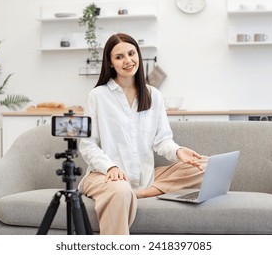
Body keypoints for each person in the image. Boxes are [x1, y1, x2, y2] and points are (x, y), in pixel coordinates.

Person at [78, 33, 208, 235]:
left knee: (206, 166)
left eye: (131, 53)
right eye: (119, 57)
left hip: (146, 177)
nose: (128, 61)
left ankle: (140, 193)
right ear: (110, 63)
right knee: (120, 190)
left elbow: (162, 140)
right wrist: (110, 167)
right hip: (104, 176)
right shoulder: (98, 96)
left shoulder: (153, 95)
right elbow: (87, 144)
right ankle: (129, 194)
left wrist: (178, 151)